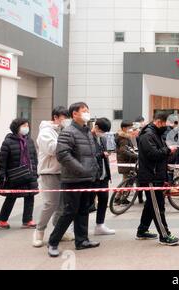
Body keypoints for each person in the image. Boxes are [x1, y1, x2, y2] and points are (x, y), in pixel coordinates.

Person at [47, 102, 101, 258]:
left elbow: (91, 155)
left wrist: (93, 170)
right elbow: (63, 155)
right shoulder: (68, 132)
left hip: (87, 179)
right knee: (69, 212)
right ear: (75, 114)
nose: (87, 113)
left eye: (88, 110)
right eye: (84, 111)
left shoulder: (87, 132)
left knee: (84, 210)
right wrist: (81, 169)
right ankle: (53, 242)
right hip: (73, 180)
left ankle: (82, 240)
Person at [135, 112, 179, 246]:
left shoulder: (155, 134)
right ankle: (164, 235)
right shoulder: (148, 135)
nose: (167, 127)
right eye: (166, 124)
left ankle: (142, 230)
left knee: (151, 205)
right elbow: (153, 154)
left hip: (156, 175)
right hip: (151, 177)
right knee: (158, 207)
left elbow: (160, 156)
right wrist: (168, 150)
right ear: (159, 122)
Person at [33, 107, 74, 247]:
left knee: (62, 205)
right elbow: (51, 149)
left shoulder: (62, 130)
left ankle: (59, 231)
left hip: (63, 172)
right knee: (51, 204)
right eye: (64, 117)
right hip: (49, 172)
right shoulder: (46, 131)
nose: (66, 120)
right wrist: (69, 142)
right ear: (55, 117)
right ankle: (39, 231)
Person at [0, 118, 39, 229]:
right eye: (23, 125)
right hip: (15, 175)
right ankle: (2, 220)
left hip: (29, 174)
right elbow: (2, 160)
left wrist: (35, 172)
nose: (26, 127)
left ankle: (27, 220)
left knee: (30, 197)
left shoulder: (29, 141)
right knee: (11, 197)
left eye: (27, 125)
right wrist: (1, 175)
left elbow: (34, 157)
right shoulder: (8, 142)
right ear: (16, 127)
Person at [89, 118, 115, 236]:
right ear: (96, 127)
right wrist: (101, 154)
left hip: (104, 176)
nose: (103, 133)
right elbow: (88, 156)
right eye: (102, 131)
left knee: (103, 200)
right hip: (93, 177)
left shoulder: (103, 139)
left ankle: (100, 225)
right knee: (87, 203)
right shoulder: (88, 138)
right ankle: (77, 228)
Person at [115, 120, 141, 204]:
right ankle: (121, 198)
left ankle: (118, 197)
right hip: (126, 163)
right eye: (129, 128)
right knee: (127, 181)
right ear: (124, 128)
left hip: (126, 162)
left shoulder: (125, 137)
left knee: (125, 181)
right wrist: (136, 155)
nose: (131, 129)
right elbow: (124, 151)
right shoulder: (124, 138)